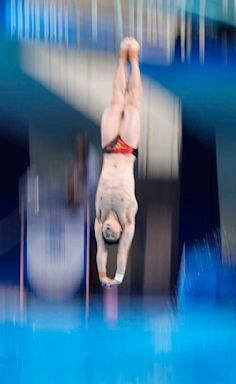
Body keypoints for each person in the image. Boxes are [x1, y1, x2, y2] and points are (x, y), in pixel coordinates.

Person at [94, 37, 142, 287]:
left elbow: (101, 251)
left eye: (106, 234)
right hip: (125, 151)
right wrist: (117, 278)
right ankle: (134, 59)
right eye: (113, 234)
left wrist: (102, 275)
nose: (108, 232)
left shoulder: (100, 217)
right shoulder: (128, 219)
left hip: (109, 148)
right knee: (131, 104)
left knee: (115, 101)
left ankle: (121, 57)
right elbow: (120, 252)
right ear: (121, 232)